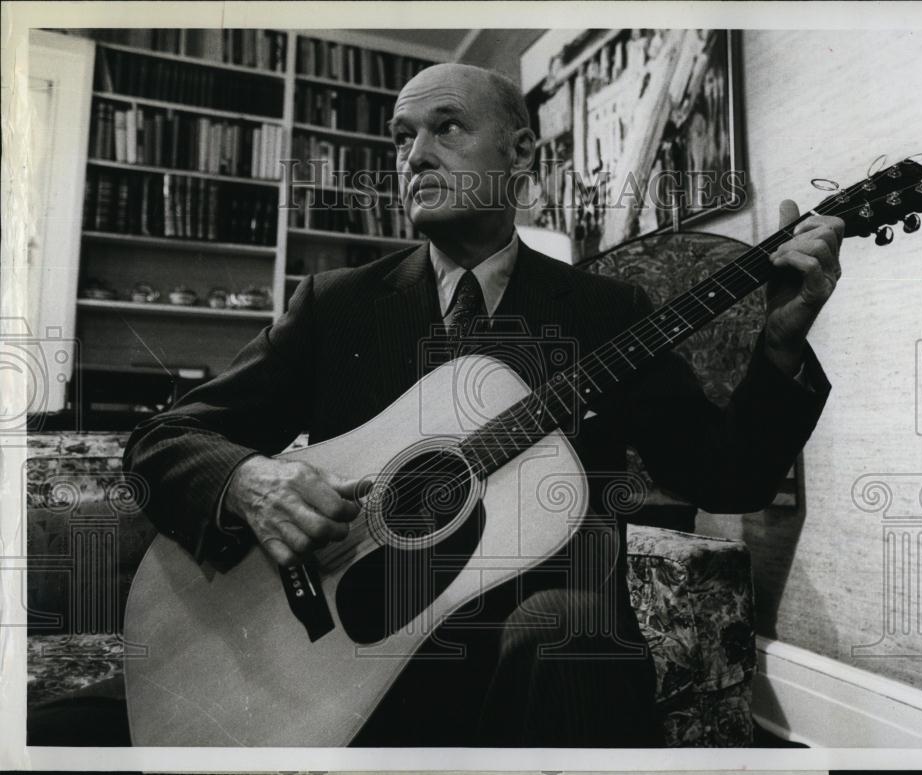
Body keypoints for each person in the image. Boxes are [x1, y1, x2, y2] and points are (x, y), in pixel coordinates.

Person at [124, 63, 843, 746]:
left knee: (567, 633)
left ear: (521, 153)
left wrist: (780, 343)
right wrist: (249, 480)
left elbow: (728, 477)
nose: (414, 156)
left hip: (535, 651)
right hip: (353, 649)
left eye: (447, 128)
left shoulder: (607, 310)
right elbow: (164, 438)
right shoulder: (336, 306)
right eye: (402, 137)